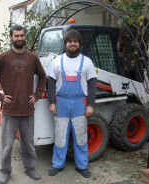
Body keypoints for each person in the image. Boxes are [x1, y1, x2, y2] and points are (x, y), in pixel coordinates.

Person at [0, 24, 46, 184]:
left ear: (25, 37)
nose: (19, 38)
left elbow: (43, 76)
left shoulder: (32, 58)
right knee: (7, 145)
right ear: (11, 37)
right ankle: (5, 171)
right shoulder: (3, 57)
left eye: (22, 35)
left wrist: (37, 94)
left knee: (28, 144)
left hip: (27, 110)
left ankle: (30, 168)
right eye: (16, 36)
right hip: (10, 111)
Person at [47, 29, 97, 178]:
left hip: (80, 104)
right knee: (60, 136)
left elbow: (92, 84)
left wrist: (91, 104)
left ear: (79, 43)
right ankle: (57, 164)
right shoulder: (57, 61)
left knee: (81, 136)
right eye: (70, 41)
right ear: (66, 43)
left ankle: (82, 166)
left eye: (75, 41)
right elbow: (51, 83)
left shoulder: (87, 61)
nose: (72, 44)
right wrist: (51, 102)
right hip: (60, 103)